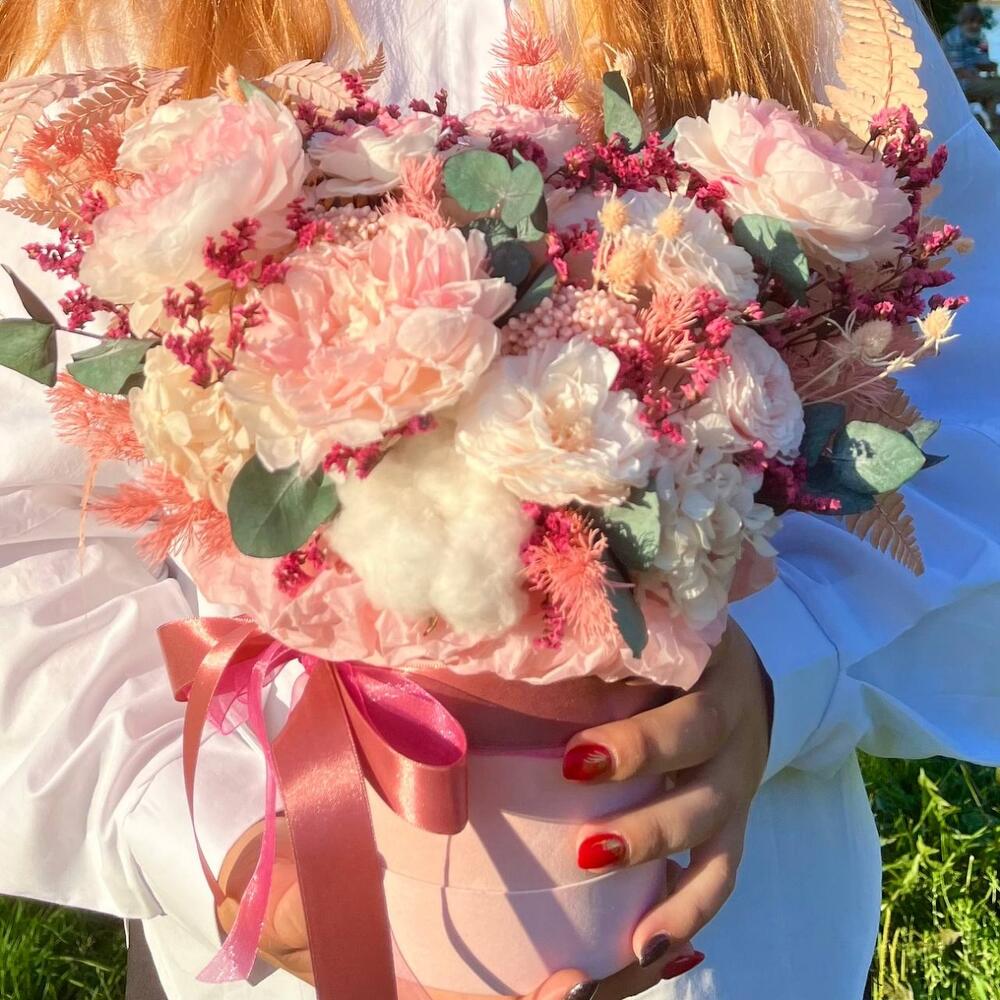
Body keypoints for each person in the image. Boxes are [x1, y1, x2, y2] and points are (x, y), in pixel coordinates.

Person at [0, 1, 998, 999]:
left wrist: (775, 665)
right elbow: (28, 529)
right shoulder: (94, 24)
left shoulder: (795, 15)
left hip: (740, 935)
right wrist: (220, 827)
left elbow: (966, 400)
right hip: (278, 940)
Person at [942, 2, 1000, 130]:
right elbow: (957, 70)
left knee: (995, 87)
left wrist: (992, 66)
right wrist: (981, 80)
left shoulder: (977, 37)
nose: (975, 25)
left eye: (978, 22)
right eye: (971, 21)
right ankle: (991, 123)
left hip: (970, 79)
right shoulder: (955, 38)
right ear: (963, 22)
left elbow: (983, 63)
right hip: (956, 85)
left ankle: (989, 123)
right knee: (996, 87)